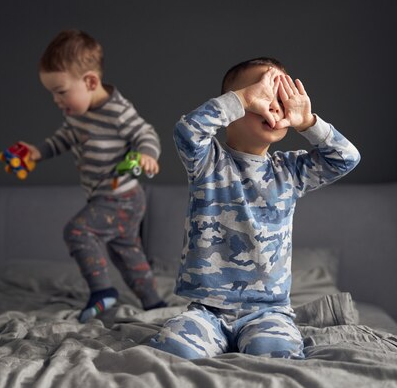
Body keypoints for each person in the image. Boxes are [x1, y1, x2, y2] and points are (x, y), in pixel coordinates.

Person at [148, 57, 360, 359]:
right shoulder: (207, 162)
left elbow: (346, 158)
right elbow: (187, 130)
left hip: (268, 311)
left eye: (280, 100)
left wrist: (308, 123)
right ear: (231, 109)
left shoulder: (290, 171)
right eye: (259, 97)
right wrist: (242, 99)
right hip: (207, 310)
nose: (272, 106)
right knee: (173, 350)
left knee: (274, 354)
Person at [19, 29, 166, 323]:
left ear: (90, 82)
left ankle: (102, 291)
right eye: (52, 93)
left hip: (121, 196)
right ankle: (155, 303)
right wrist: (37, 152)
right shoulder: (77, 114)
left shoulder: (118, 111)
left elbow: (145, 133)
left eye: (60, 91)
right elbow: (64, 138)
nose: (56, 100)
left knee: (78, 231)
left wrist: (148, 154)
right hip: (109, 198)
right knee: (127, 255)